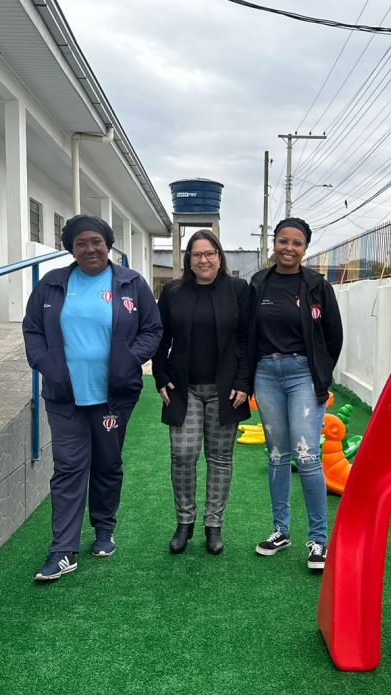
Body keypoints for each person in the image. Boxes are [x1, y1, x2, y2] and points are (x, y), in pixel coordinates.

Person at [22, 214, 162, 582]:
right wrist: (46, 364)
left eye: (96, 242)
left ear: (108, 245)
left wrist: (129, 358)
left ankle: (103, 529)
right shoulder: (52, 284)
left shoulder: (131, 284)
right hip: (64, 395)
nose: (90, 249)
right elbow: (32, 330)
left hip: (113, 395)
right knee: (69, 467)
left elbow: (152, 329)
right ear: (71, 248)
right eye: (81, 243)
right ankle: (62, 549)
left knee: (107, 463)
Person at [248, 217, 343, 572]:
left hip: (303, 374)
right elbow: (248, 333)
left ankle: (318, 540)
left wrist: (321, 374)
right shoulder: (258, 283)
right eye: (283, 241)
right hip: (266, 374)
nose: (289, 248)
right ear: (273, 243)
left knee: (307, 455)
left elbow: (333, 336)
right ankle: (281, 531)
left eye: (297, 243)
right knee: (276, 454)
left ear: (305, 248)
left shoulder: (317, 286)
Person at [153, 230, 252, 555]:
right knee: (183, 455)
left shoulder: (238, 290)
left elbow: (247, 340)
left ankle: (213, 526)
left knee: (220, 459)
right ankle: (184, 522)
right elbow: (160, 338)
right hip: (185, 389)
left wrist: (243, 382)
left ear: (220, 257)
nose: (204, 260)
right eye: (197, 254)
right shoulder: (173, 292)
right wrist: (160, 375)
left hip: (226, 390)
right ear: (189, 259)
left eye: (209, 253)